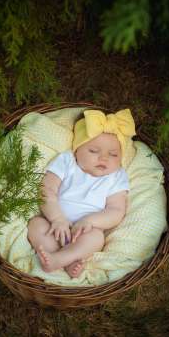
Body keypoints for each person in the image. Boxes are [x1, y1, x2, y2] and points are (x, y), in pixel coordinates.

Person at [27, 109, 136, 278]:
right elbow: (46, 190)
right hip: (54, 224)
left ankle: (63, 258)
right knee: (35, 224)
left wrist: (89, 221)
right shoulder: (67, 161)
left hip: (85, 231)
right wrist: (57, 218)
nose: (104, 158)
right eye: (94, 151)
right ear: (77, 150)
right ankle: (60, 258)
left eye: (113, 154)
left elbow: (116, 211)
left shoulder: (117, 176)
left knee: (97, 237)